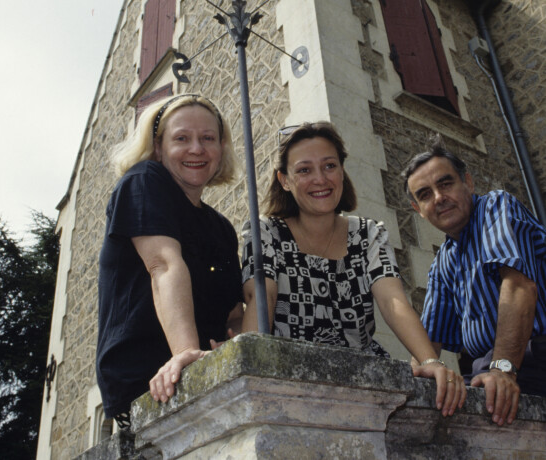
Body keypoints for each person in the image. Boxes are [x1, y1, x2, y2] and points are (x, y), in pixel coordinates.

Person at [242, 122, 466, 417]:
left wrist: (429, 361)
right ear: (284, 179)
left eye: (329, 166)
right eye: (304, 170)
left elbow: (392, 300)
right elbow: (262, 300)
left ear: (341, 171)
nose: (320, 179)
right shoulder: (265, 233)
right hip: (292, 378)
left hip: (363, 380)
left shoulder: (369, 233)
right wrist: (246, 364)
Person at [96, 94, 243, 429]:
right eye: (182, 138)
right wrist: (186, 355)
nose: (196, 149)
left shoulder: (221, 228)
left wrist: (229, 350)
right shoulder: (144, 180)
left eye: (208, 138)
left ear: (221, 150)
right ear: (158, 147)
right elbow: (162, 265)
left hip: (206, 380)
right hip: (149, 383)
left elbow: (234, 313)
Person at [402, 135, 546, 426]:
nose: (439, 198)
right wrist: (409, 382)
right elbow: (428, 345)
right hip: (485, 368)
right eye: (425, 194)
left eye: (445, 184)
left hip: (534, 354)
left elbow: (520, 287)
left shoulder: (495, 207)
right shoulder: (443, 260)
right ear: (419, 210)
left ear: (467, 183)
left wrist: (503, 370)